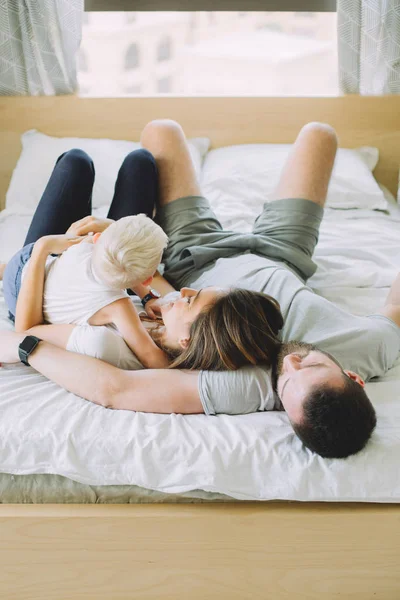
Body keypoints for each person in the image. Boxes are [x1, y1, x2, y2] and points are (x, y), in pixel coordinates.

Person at [1, 120, 399, 459]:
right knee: (320, 133)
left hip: (197, 256)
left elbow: (116, 390)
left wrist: (24, 345)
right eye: (313, 365)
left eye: (288, 383)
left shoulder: (242, 386)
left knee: (155, 136)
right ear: (353, 375)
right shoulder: (369, 347)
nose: (292, 364)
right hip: (283, 254)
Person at [0, 147, 283, 373]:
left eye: (190, 300)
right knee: (141, 162)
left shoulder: (115, 335)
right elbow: (146, 275)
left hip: (35, 277)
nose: (184, 291)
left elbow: (27, 330)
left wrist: (42, 250)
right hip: (95, 261)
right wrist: (148, 296)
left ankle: (6, 267)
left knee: (75, 162)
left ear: (187, 340)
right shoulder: (172, 315)